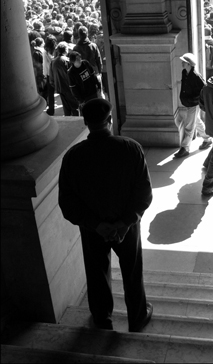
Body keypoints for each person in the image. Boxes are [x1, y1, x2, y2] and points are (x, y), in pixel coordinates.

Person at [58, 98, 153, 332]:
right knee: (132, 270)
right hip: (127, 228)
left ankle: (102, 318)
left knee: (96, 272)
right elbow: (143, 194)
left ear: (85, 123)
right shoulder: (131, 148)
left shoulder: (73, 157)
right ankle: (137, 317)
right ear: (110, 120)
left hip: (93, 231)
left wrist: (96, 225)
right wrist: (123, 223)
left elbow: (67, 202)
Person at [174, 52, 212, 159]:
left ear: (189, 64)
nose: (182, 63)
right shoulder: (184, 72)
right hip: (188, 102)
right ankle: (207, 139)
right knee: (196, 121)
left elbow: (205, 88)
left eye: (184, 62)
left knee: (189, 126)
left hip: (194, 103)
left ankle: (185, 148)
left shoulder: (196, 76)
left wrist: (196, 99)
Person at [50, 42, 79, 116]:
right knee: (75, 108)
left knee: (66, 110)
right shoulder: (67, 61)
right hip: (69, 88)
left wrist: (55, 85)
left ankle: (69, 123)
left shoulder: (53, 62)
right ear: (66, 50)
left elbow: (51, 78)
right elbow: (74, 75)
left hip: (60, 88)